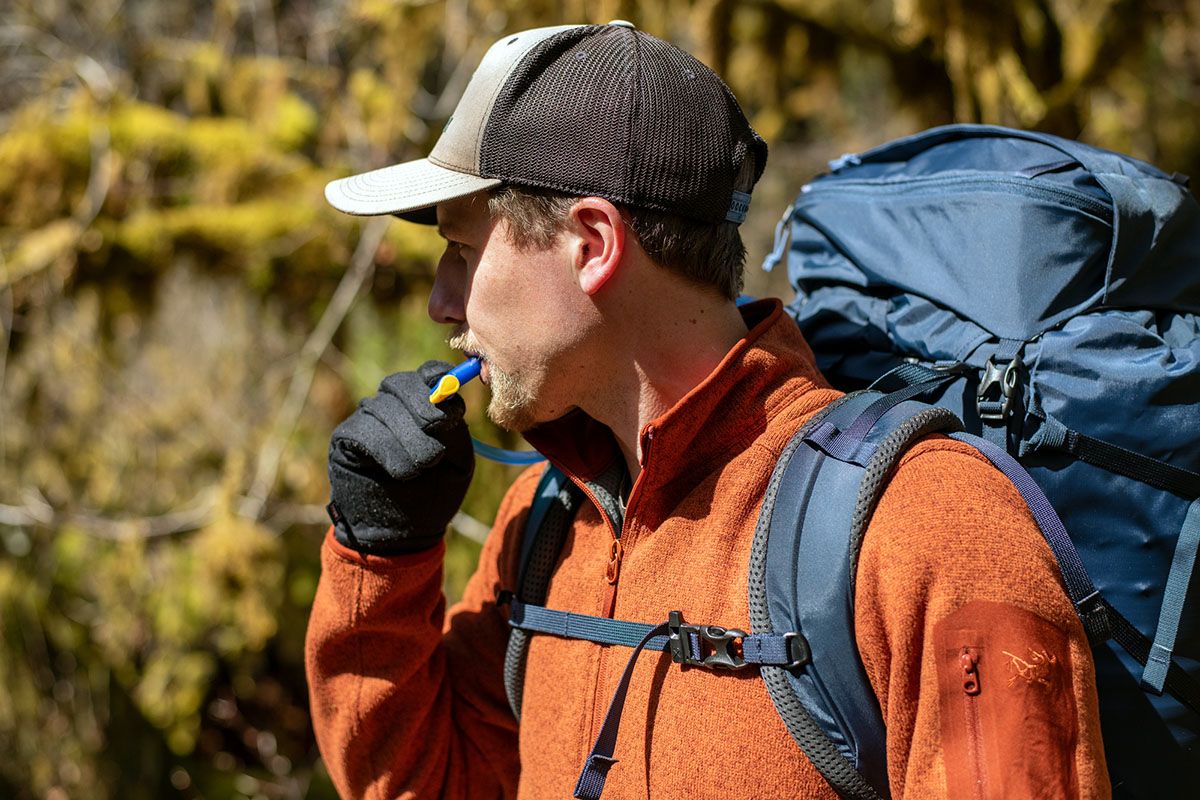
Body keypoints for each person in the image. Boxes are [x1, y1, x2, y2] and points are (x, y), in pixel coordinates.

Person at [306, 21, 1111, 799]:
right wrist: (380, 556)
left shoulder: (930, 526)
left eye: (463, 253)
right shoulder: (541, 527)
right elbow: (423, 784)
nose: (442, 302)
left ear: (592, 244)